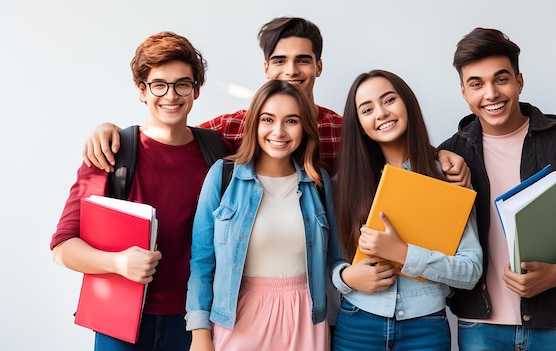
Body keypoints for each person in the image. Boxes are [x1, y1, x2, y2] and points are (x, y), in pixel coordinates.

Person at [80, 16, 470, 183]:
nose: (291, 71)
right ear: (266, 68)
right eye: (280, 61)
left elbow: (392, 145)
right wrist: (111, 128)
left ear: (319, 66)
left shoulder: (340, 126)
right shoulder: (231, 126)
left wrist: (439, 155)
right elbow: (172, 132)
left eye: (303, 60)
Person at [50, 32, 229, 350]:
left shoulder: (218, 151)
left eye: (182, 84)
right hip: (120, 323)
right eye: (159, 84)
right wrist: (117, 263)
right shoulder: (111, 152)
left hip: (196, 324)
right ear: (142, 90)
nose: (170, 95)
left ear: (196, 90)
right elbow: (63, 247)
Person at [439, 28, 556, 351]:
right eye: (476, 84)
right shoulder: (451, 154)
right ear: (463, 92)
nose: (491, 93)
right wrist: (433, 154)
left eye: (501, 79)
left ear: (519, 81)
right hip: (480, 326)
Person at [185, 79, 343, 351]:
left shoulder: (319, 183)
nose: (279, 132)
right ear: (254, 124)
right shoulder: (223, 176)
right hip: (237, 316)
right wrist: (199, 333)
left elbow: (336, 259)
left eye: (291, 121)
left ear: (304, 127)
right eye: (268, 119)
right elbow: (201, 262)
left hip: (305, 319)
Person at [330, 69, 483, 351]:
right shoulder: (342, 185)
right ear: (359, 123)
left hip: (426, 328)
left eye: (389, 100)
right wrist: (345, 277)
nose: (381, 113)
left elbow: (470, 271)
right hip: (357, 325)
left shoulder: (448, 176)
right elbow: (329, 261)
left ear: (407, 104)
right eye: (367, 109)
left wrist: (403, 254)